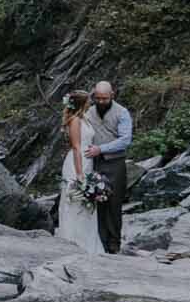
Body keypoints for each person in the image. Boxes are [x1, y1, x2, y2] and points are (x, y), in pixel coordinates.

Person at [88, 78, 133, 254]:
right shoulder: (89, 112)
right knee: (96, 202)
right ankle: (100, 242)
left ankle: (114, 244)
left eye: (104, 98)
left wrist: (101, 149)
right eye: (97, 98)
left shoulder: (122, 113)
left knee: (114, 204)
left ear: (112, 95)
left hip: (115, 163)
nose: (100, 102)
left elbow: (125, 140)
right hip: (94, 163)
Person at [56, 89, 102, 255]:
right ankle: (72, 242)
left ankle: (89, 243)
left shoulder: (84, 119)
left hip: (87, 162)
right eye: (88, 101)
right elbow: (76, 147)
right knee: (75, 200)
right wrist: (80, 173)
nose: (91, 102)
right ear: (82, 103)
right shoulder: (74, 120)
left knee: (86, 202)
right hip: (77, 163)